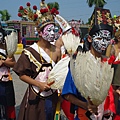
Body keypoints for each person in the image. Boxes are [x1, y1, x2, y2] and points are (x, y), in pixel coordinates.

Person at [62, 7, 116, 120]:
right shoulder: (79, 63)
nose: (103, 43)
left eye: (107, 39)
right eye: (100, 38)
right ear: (90, 38)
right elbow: (67, 94)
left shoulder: (107, 63)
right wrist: (85, 105)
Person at [13, 1, 61, 120]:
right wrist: (38, 84)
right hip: (35, 96)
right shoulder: (29, 51)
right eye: (48, 30)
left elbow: (60, 72)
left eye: (53, 30)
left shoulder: (57, 50)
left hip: (53, 95)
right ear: (39, 33)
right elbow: (22, 75)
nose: (52, 34)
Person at [0, 22, 16, 120]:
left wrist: (3, 62)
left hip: (6, 79)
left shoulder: (7, 49)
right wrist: (4, 62)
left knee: (8, 103)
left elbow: (14, 63)